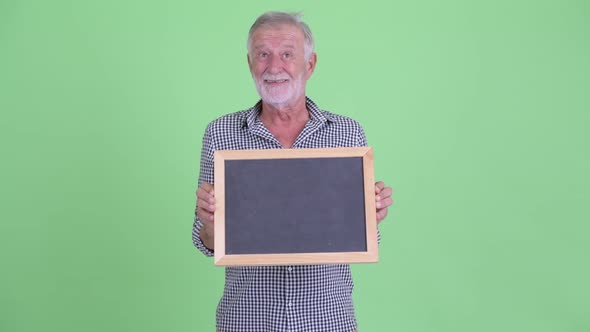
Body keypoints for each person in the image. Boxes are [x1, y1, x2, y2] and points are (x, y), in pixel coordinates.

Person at [192, 11, 393, 332]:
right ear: (249, 63)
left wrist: (372, 214)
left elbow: (358, 237)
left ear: (309, 64)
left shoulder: (346, 134)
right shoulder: (220, 133)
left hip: (328, 320)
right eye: (263, 54)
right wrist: (210, 222)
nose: (274, 67)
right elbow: (206, 242)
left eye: (287, 54)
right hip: (247, 320)